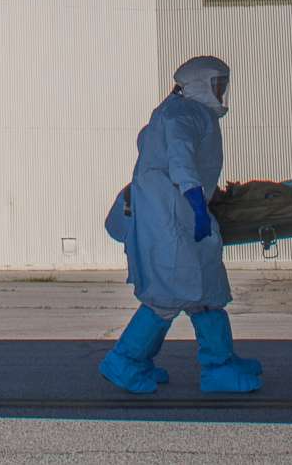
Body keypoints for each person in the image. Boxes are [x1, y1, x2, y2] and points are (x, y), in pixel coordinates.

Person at [98, 55, 262, 395]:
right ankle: (125, 361)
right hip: (171, 217)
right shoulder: (182, 114)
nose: (222, 91)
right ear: (200, 84)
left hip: (183, 212)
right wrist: (197, 209)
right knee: (168, 294)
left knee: (206, 290)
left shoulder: (185, 112)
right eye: (217, 84)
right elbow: (181, 162)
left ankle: (220, 363)